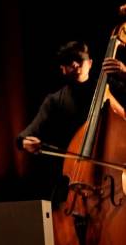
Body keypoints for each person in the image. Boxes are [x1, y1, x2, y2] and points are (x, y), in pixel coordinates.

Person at [17, 41, 126, 200]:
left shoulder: (109, 87)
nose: (75, 64)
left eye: (79, 60)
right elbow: (25, 135)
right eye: (69, 62)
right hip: (73, 180)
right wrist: (24, 142)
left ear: (90, 63)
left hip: (110, 181)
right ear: (62, 69)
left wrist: (124, 72)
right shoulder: (54, 100)